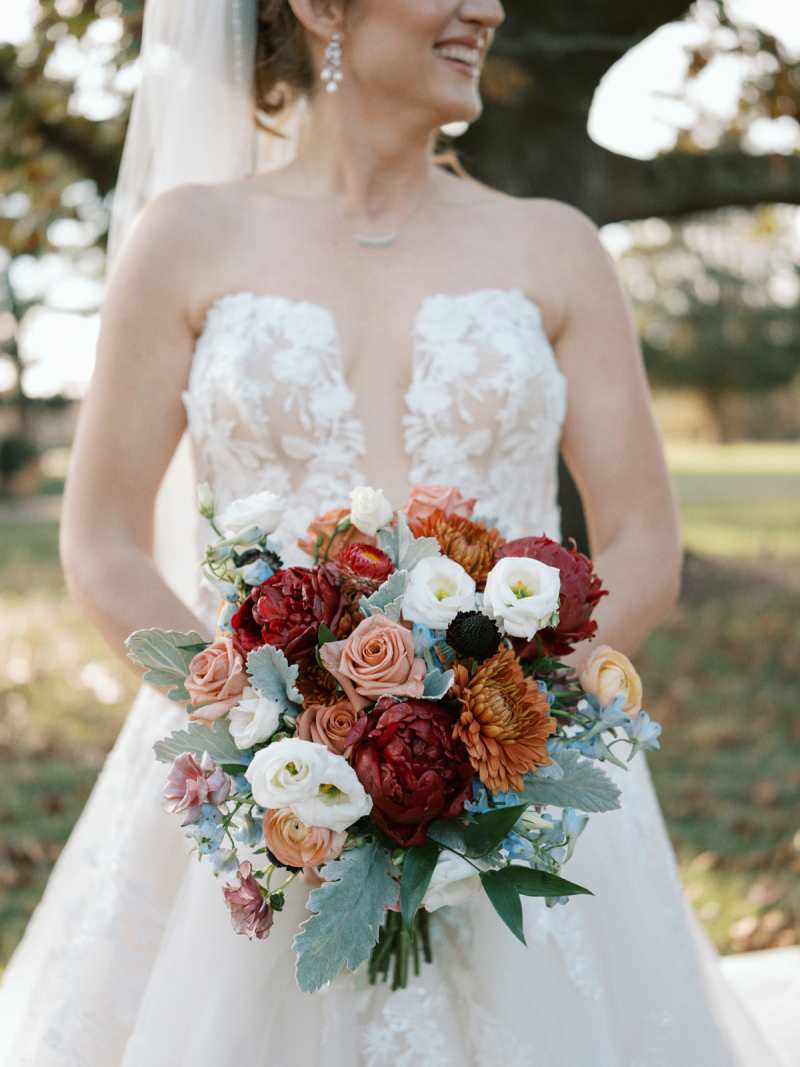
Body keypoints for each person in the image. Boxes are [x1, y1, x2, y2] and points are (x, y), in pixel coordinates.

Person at [0, 2, 791, 1065]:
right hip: (254, 799)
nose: (489, 8)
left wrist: (504, 724)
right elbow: (101, 539)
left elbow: (643, 538)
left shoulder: (556, 246)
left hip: (523, 783)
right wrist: (263, 730)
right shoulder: (185, 239)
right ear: (322, 6)